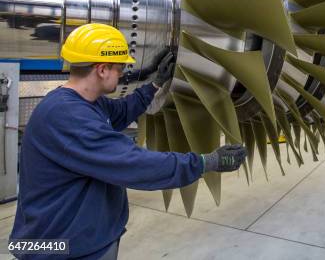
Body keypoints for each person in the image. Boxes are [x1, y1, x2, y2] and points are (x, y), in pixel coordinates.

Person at [10, 23, 246, 260]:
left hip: (77, 238)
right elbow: (138, 165)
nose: (122, 73)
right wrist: (208, 162)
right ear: (102, 69)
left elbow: (121, 111)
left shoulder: (84, 102)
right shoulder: (67, 117)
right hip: (61, 249)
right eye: (120, 67)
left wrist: (155, 83)